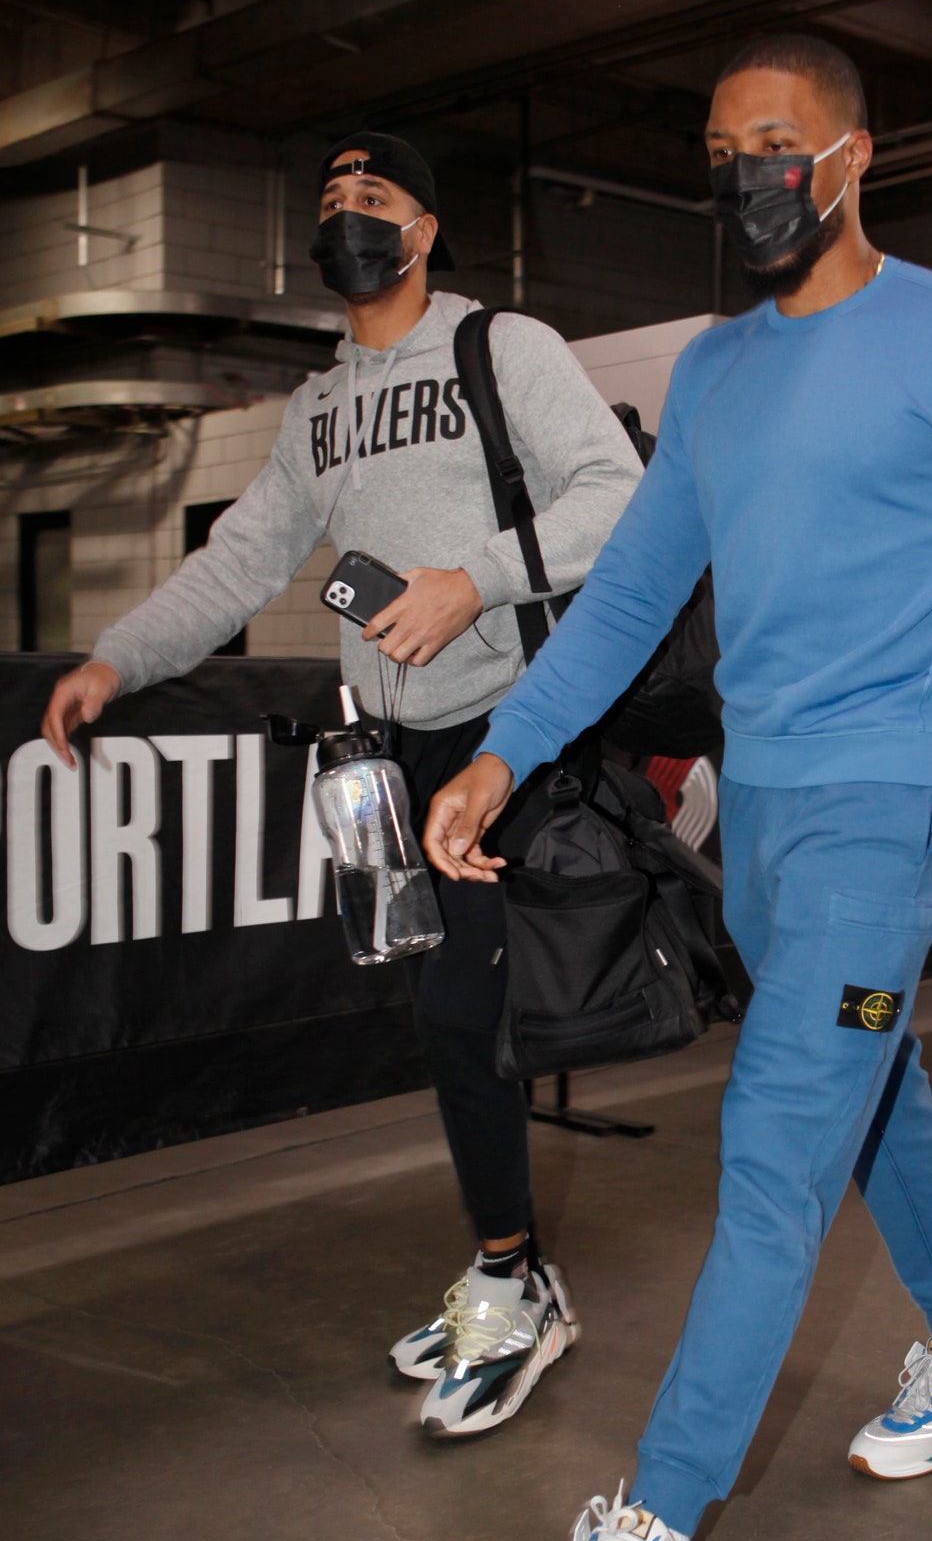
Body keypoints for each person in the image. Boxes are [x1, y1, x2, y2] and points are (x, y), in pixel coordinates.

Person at [424, 34, 932, 1541]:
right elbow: (625, 600)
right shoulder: (718, 379)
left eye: (779, 142)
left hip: (903, 796)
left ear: (855, 154)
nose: (751, 171)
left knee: (778, 1132)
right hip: (770, 804)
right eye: (724, 146)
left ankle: (651, 1536)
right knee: (872, 1084)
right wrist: (503, 751)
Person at [40, 132, 641, 1439]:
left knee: (460, 1016)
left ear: (426, 229)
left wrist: (468, 580)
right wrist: (115, 662)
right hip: (387, 742)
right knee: (438, 1009)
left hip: (503, 733)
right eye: (330, 200)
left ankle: (514, 1284)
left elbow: (621, 495)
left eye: (374, 199)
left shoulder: (502, 352)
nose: (347, 218)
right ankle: (508, 1266)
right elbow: (240, 556)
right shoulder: (319, 410)